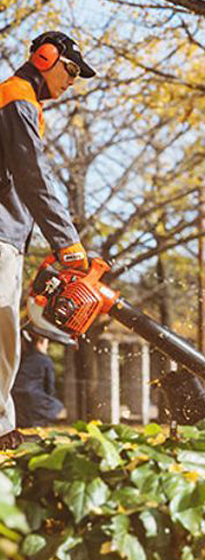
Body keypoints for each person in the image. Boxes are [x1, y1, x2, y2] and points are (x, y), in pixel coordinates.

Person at [0, 31, 95, 451]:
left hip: (9, 233)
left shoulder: (22, 102)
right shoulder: (16, 97)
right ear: (45, 56)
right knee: (3, 333)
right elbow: (32, 175)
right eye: (70, 69)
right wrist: (67, 243)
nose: (72, 79)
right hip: (1, 235)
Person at [11, 329, 64, 428]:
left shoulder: (22, 358)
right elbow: (50, 387)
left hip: (16, 398)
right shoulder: (45, 360)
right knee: (58, 406)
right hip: (35, 399)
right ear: (42, 342)